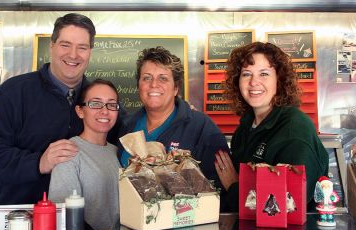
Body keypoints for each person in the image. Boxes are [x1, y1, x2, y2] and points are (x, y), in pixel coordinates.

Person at [0, 13, 96, 209]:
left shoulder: (98, 101)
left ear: (90, 52)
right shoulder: (13, 93)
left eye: (82, 47)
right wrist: (39, 162)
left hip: (81, 224)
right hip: (19, 219)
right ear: (52, 46)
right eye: (65, 45)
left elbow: (122, 146)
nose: (73, 55)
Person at [214, 41, 329, 211]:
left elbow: (288, 205)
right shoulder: (245, 128)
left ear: (279, 80)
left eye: (264, 74)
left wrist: (233, 186)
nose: (254, 82)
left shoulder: (294, 128)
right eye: (246, 74)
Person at [118, 46, 234, 212]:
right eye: (146, 78)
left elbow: (220, 192)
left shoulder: (202, 128)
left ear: (176, 88)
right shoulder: (126, 125)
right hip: (131, 227)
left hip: (182, 229)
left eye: (163, 78)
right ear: (138, 86)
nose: (154, 85)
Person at [49, 79, 120, 230]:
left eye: (111, 105)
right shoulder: (68, 152)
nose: (104, 111)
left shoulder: (117, 152)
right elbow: (62, 213)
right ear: (80, 111)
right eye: (95, 104)